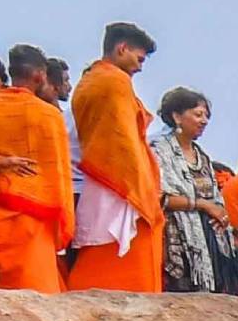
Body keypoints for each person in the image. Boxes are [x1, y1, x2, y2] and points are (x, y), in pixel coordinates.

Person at [68, 23, 168, 291]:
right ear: (122, 48)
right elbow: (124, 143)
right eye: (139, 59)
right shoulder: (115, 81)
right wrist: (144, 191)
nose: (140, 67)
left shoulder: (89, 79)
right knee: (127, 252)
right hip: (119, 183)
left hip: (98, 179)